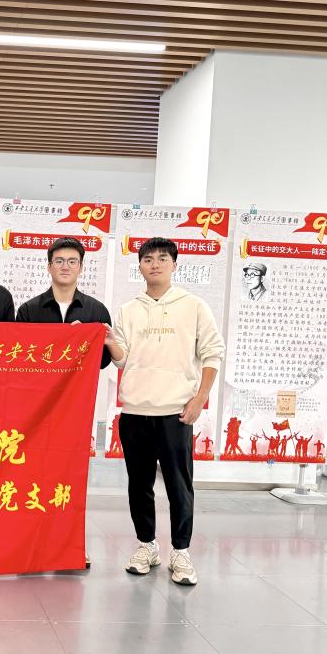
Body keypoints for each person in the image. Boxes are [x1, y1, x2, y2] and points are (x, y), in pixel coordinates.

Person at [105, 237, 224, 586]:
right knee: (139, 486)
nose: (154, 264)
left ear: (174, 264)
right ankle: (147, 546)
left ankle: (181, 552)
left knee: (178, 486)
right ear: (140, 266)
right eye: (148, 259)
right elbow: (123, 359)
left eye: (162, 258)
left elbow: (213, 352)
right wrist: (110, 343)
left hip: (176, 413)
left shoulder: (194, 306)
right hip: (134, 412)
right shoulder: (129, 309)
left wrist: (200, 398)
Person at [15, 236, 112, 368]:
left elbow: (103, 361)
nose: (65, 267)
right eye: (59, 261)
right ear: (49, 267)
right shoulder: (28, 310)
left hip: (79, 382)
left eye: (72, 262)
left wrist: (83, 340)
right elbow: (19, 357)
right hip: (41, 381)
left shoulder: (97, 311)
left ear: (81, 267)